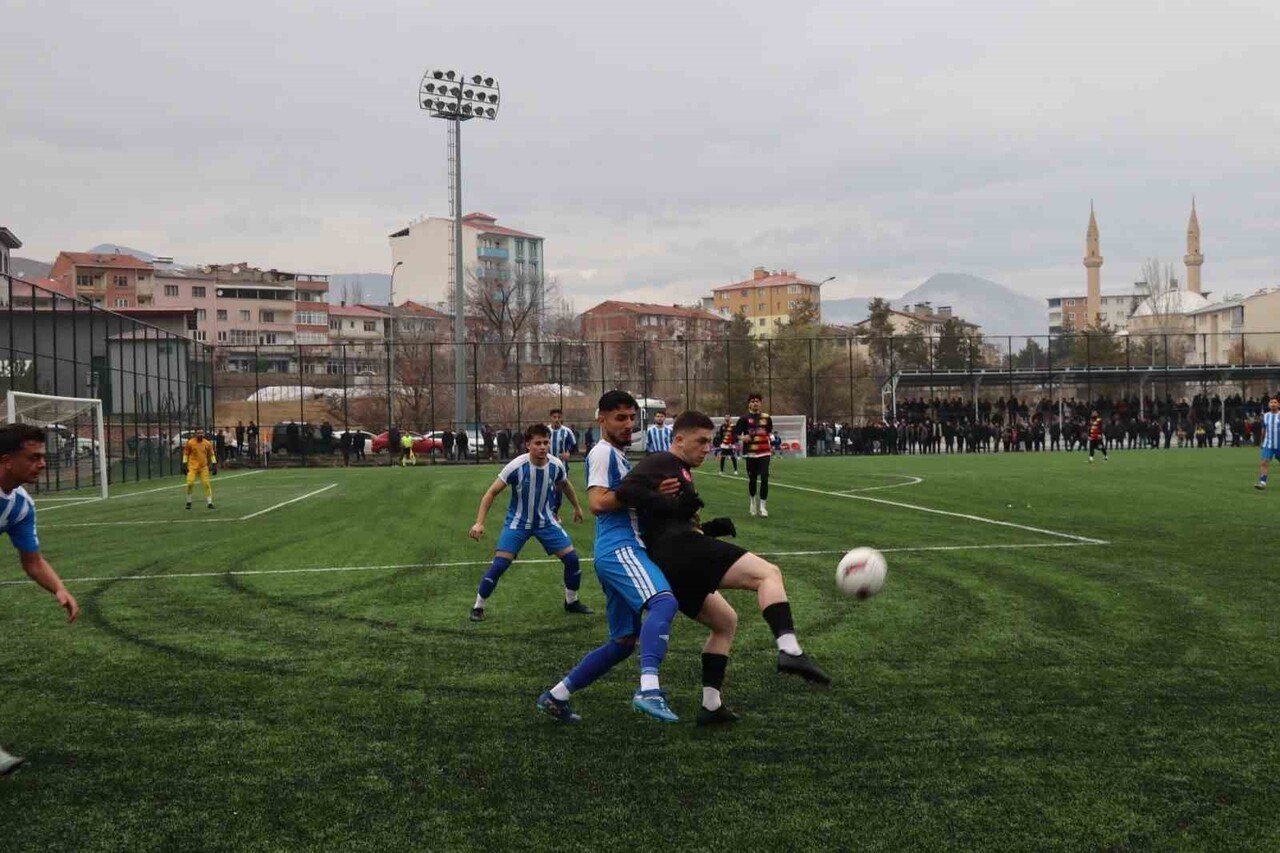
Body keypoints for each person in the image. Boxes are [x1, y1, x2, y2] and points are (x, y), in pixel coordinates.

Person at [616, 411, 831, 726]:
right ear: (678, 439)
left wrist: (711, 528)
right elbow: (624, 493)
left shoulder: (681, 470)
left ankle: (711, 705)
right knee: (768, 574)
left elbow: (671, 517)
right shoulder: (662, 461)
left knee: (725, 622)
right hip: (680, 551)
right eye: (700, 441)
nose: (707, 448)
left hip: (674, 560)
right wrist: (667, 503)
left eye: (710, 441)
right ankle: (790, 650)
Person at [537, 390, 682, 724]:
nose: (628, 424)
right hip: (620, 548)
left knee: (622, 641)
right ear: (600, 419)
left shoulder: (618, 454)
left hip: (613, 550)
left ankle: (556, 696)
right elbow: (599, 503)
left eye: (632, 418)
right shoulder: (603, 453)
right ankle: (648, 690)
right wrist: (652, 494)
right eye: (620, 418)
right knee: (663, 602)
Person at [0, 424, 80, 776]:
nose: (42, 464)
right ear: (6, 460)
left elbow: (31, 560)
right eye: (33, 457)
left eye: (43, 457)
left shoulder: (19, 505)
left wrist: (59, 589)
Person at [468, 424, 589, 621]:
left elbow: (565, 484)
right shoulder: (516, 466)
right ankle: (478, 607)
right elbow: (491, 493)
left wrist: (577, 507)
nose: (543, 447)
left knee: (572, 559)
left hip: (546, 522)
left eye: (546, 442)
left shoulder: (556, 465)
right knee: (500, 565)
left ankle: (571, 602)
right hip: (518, 523)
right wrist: (479, 522)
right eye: (538, 443)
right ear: (527, 444)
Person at [734, 393, 774, 517]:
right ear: (749, 403)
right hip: (751, 453)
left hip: (764, 452)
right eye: (752, 401)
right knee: (752, 479)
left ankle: (763, 507)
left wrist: (771, 438)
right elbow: (736, 434)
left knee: (764, 478)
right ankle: (752, 501)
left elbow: (769, 431)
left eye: (757, 401)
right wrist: (742, 437)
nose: (755, 403)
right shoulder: (744, 419)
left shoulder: (766, 418)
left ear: (760, 403)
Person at [548, 408, 577, 516]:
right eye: (554, 417)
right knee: (548, 489)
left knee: (559, 490)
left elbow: (574, 446)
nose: (556, 419)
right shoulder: (546, 431)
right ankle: (550, 512)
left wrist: (568, 453)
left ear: (561, 418)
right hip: (547, 465)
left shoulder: (567, 431)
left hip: (562, 466)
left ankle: (555, 511)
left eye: (559, 417)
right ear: (550, 418)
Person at [183, 427, 218, 510]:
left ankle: (210, 503)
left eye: (201, 433)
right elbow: (186, 454)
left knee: (206, 484)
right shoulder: (190, 442)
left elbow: (211, 454)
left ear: (204, 434)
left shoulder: (207, 443)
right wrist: (184, 463)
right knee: (190, 484)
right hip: (192, 467)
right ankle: (189, 502)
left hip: (203, 467)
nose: (200, 434)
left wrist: (214, 464)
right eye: (198, 433)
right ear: (195, 434)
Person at [1255, 397, 1279, 490]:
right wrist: (1262, 442)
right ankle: (1262, 482)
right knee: (1264, 462)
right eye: (1271, 402)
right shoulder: (1265, 416)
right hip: (1268, 444)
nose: (1273, 404)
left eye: (1275, 402)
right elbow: (1263, 430)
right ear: (1269, 405)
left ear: (1278, 405)